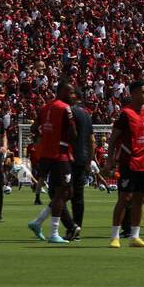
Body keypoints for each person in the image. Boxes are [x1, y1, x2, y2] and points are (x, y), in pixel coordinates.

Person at [26, 81, 76, 244]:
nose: (72, 95)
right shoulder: (64, 108)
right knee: (62, 193)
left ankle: (38, 222)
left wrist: (46, 136)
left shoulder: (45, 107)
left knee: (67, 193)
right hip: (60, 155)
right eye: (70, 91)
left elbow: (34, 128)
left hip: (46, 155)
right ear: (61, 91)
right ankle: (54, 232)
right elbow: (73, 134)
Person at [107, 80, 144, 249]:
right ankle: (115, 236)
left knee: (139, 199)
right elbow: (113, 139)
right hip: (129, 162)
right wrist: (109, 160)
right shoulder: (125, 114)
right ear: (133, 94)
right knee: (124, 198)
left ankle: (135, 236)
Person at [58, 87, 94, 241]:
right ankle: (77, 228)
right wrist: (89, 160)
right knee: (78, 196)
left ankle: (70, 226)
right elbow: (91, 140)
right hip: (82, 158)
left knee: (58, 192)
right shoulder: (87, 114)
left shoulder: (68, 112)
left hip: (68, 157)